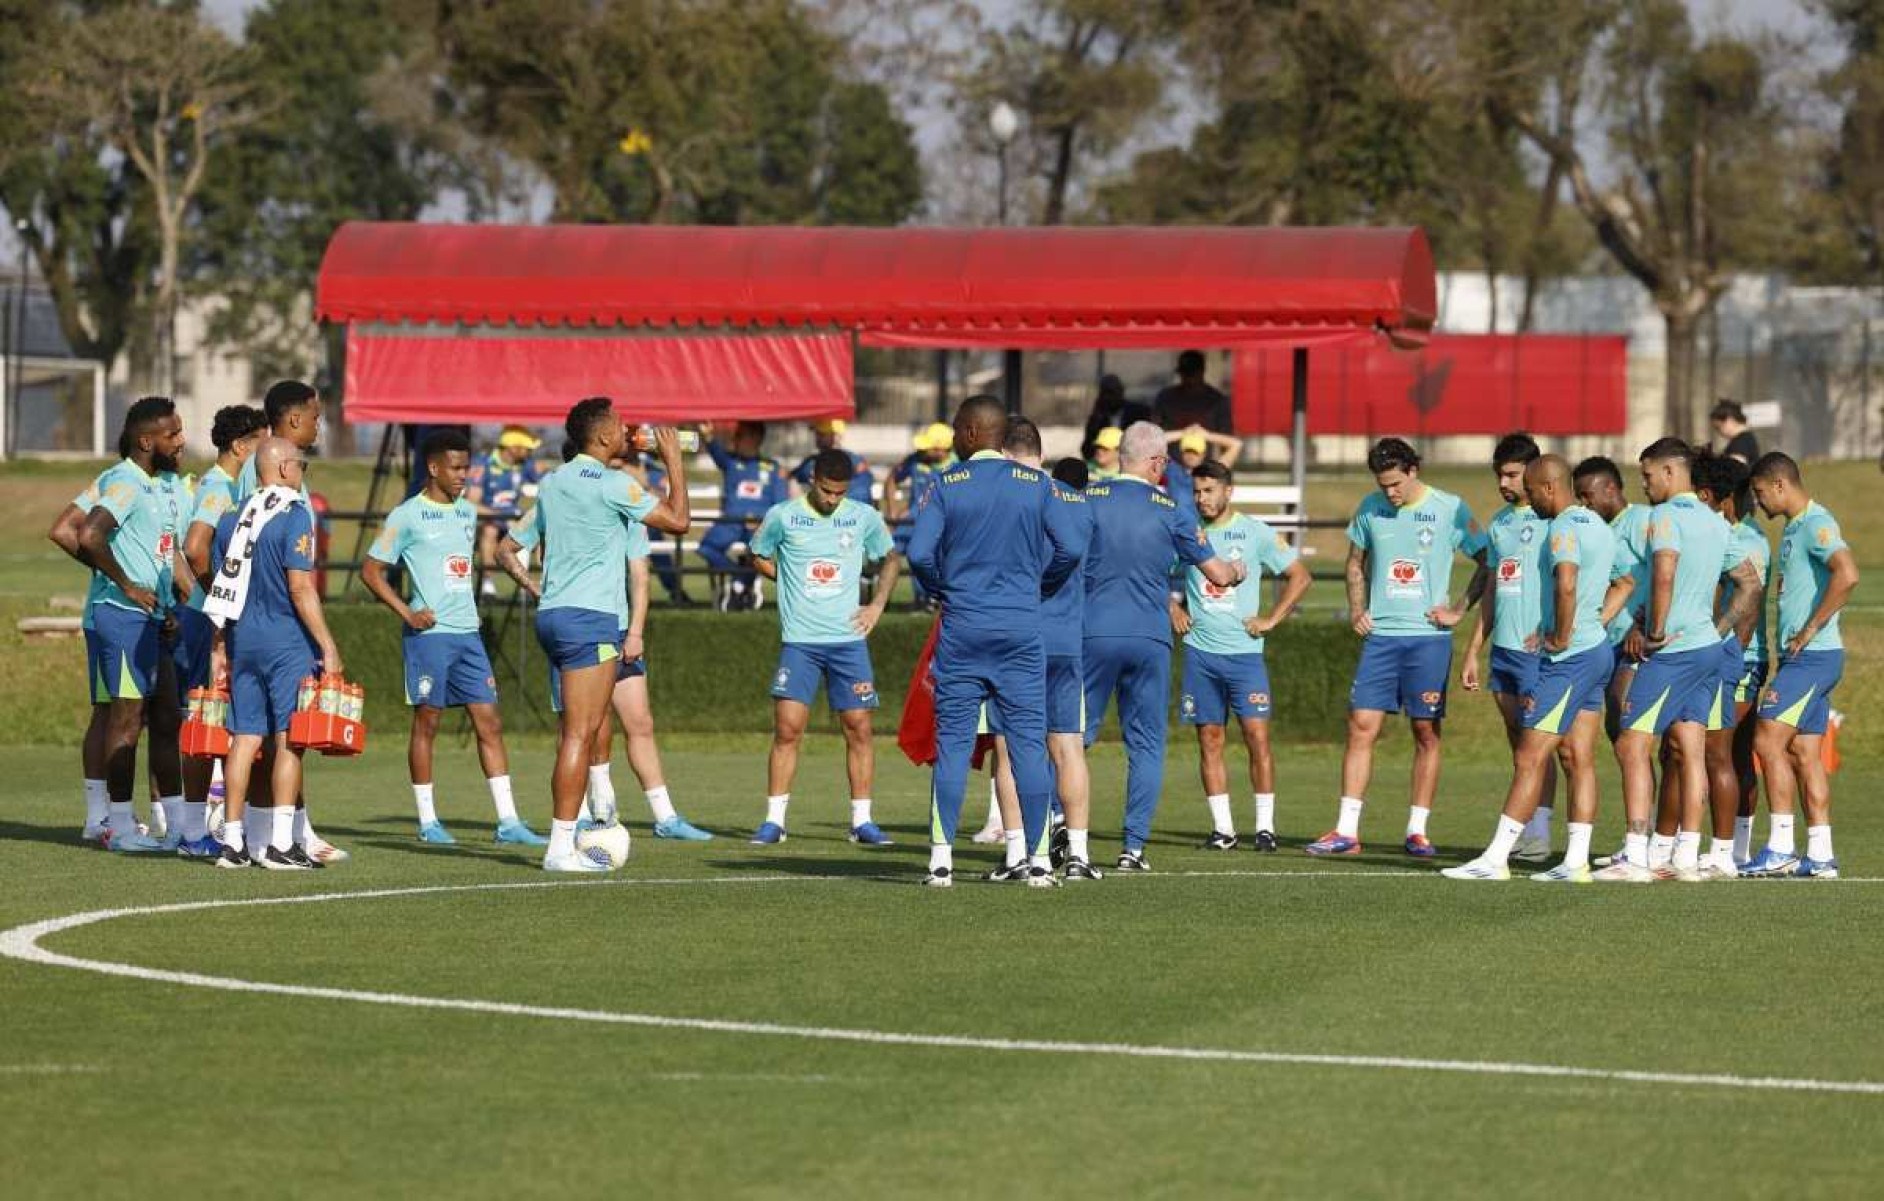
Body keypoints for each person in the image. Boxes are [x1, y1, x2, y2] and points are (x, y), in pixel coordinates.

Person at [907, 395, 1088, 888]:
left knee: (953, 747)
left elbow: (919, 554)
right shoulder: (1037, 486)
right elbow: (1071, 547)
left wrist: (943, 586)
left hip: (964, 628)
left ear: (969, 434)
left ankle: (940, 862)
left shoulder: (946, 485)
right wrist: (1041, 585)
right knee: (1030, 745)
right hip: (1020, 631)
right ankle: (1039, 863)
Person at [502, 442, 711, 842]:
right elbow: (507, 549)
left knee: (637, 722)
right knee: (580, 727)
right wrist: (537, 589)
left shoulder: (624, 508)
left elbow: (640, 575)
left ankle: (664, 816)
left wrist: (634, 630)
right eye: (614, 464)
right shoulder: (560, 498)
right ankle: (584, 815)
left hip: (612, 626)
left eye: (622, 465)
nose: (620, 472)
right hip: (581, 622)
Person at [525, 399, 690, 872]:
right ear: (601, 437)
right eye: (619, 426)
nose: (626, 431)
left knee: (582, 730)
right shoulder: (616, 483)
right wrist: (674, 461)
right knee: (580, 733)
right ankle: (560, 847)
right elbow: (679, 522)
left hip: (553, 613)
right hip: (590, 617)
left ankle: (585, 824)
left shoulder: (551, 481)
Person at [363, 428, 546, 847]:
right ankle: (428, 822)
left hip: (469, 636)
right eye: (457, 467)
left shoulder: (466, 512)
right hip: (429, 639)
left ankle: (509, 822)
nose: (465, 475)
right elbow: (371, 570)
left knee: (490, 724)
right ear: (433, 468)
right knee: (428, 723)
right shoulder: (406, 515)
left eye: (468, 467)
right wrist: (408, 612)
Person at [1307, 437, 1487, 858]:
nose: (1389, 492)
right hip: (1382, 639)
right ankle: (1346, 832)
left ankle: (1417, 830)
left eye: (1395, 484)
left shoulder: (1450, 508)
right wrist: (1357, 610)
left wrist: (1459, 608)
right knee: (1361, 725)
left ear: (1413, 471)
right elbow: (1355, 563)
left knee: (1425, 731)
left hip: (1428, 640)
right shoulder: (1370, 508)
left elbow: (1488, 562)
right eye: (1383, 485)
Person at [1443, 455, 1616, 882]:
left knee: (1529, 754)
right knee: (1580, 758)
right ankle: (1575, 862)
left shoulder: (1562, 527)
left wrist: (1559, 634)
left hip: (1569, 657)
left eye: (1534, 490)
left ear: (1550, 487)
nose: (1530, 498)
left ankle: (1495, 858)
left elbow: (1567, 582)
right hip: (1598, 651)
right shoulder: (1598, 524)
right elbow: (1626, 579)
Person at [1083, 421, 1246, 872]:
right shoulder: (1172, 509)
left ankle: (1065, 829)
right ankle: (1132, 848)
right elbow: (1215, 573)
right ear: (1156, 462)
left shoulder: (1087, 500)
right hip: (1150, 637)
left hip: (1092, 632)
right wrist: (1236, 570)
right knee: (1146, 744)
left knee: (1073, 737)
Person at [1594, 438, 1743, 883]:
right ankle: (1684, 858)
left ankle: (1636, 856)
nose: (1644, 485)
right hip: (1707, 648)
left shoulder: (1663, 517)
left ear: (1671, 473)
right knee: (1689, 747)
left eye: (1647, 475)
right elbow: (1748, 582)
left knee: (1631, 743)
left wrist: (1654, 630)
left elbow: (1663, 572)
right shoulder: (1716, 520)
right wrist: (1717, 629)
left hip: (1673, 650)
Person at [748, 449, 900, 847]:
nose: (832, 499)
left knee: (860, 729)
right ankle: (774, 822)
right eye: (826, 491)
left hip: (849, 642)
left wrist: (877, 606)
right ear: (812, 479)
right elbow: (758, 553)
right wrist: (787, 580)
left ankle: (862, 821)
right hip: (800, 642)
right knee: (787, 729)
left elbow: (890, 559)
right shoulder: (783, 514)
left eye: (839, 493)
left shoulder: (863, 516)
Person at [206, 437, 344, 870]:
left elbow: (220, 585)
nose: (303, 471)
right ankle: (281, 844)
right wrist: (328, 645)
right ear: (284, 468)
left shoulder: (232, 517)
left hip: (243, 639)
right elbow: (301, 588)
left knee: (245, 738)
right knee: (289, 739)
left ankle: (233, 841)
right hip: (285, 641)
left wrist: (219, 646)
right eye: (301, 463)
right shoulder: (295, 513)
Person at [1172, 458, 1311, 851]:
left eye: (1209, 491)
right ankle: (1223, 831)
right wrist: (1173, 608)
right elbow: (1154, 573)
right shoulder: (1187, 532)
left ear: (1228, 491)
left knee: (1257, 738)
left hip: (1245, 657)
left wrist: (1271, 619)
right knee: (1210, 740)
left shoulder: (1255, 533)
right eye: (1196, 492)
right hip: (1201, 654)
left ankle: (1265, 828)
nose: (1202, 499)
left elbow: (1301, 576)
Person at [983, 423, 1101, 882]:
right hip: (1067, 639)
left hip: (1018, 637)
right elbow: (1088, 567)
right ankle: (1077, 854)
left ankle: (1018, 855)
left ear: (1006, 455)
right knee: (1067, 744)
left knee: (1010, 748)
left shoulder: (1012, 497)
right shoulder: (1075, 501)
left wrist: (1037, 583)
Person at [74, 399, 192, 854]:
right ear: (147, 441)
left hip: (153, 620)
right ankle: (119, 827)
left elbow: (169, 551)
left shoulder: (159, 484)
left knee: (165, 718)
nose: (180, 441)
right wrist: (125, 584)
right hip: (121, 618)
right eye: (172, 434)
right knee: (126, 720)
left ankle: (181, 826)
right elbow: (88, 534)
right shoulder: (124, 481)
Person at [1741, 452, 1860, 878]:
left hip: (1812, 658)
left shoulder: (1816, 523)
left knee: (1767, 740)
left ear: (1779, 485)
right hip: (1806, 659)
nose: (1757, 500)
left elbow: (1847, 574)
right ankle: (1821, 854)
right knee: (1803, 751)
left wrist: (1810, 627)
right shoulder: (1795, 527)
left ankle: (1779, 847)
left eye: (1758, 492)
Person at [171, 404, 269, 855]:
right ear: (239, 446)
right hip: (204, 617)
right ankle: (192, 832)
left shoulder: (236, 485)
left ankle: (209, 824)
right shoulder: (217, 486)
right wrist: (219, 597)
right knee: (203, 716)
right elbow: (195, 547)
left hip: (216, 616)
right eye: (260, 443)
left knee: (223, 715)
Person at [1460, 433, 1557, 863]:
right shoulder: (1499, 523)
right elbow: (1495, 590)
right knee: (1519, 743)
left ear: (1533, 473)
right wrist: (1473, 649)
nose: (1504, 482)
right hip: (1505, 650)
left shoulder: (1556, 520)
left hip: (1542, 651)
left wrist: (1554, 630)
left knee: (1543, 745)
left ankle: (1540, 833)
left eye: (1513, 474)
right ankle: (1523, 828)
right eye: (1499, 474)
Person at [1691, 452, 1768, 870]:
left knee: (1716, 751)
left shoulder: (1745, 539)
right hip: (1727, 657)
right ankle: (1735, 851)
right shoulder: (1724, 532)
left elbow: (1750, 601)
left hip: (1740, 659)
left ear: (1714, 497)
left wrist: (1729, 650)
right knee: (1733, 755)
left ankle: (1724, 852)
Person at [700, 421, 788, 611]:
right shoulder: (730, 461)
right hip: (730, 523)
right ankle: (741, 578)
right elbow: (715, 449)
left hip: (758, 526)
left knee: (757, 553)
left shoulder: (772, 468)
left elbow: (781, 505)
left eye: (740, 436)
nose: (735, 440)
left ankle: (741, 589)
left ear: (755, 439)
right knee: (706, 548)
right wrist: (707, 435)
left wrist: (764, 523)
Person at [466, 425, 545, 591]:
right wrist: (499, 515)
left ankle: (543, 583)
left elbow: (549, 482)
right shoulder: (483, 465)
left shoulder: (526, 465)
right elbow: (472, 503)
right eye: (527, 449)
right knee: (490, 529)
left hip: (515, 519)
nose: (530, 453)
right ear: (513, 448)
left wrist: (544, 471)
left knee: (542, 532)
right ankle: (487, 583)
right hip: (491, 519)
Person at [886, 423, 954, 609]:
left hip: (939, 526)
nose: (921, 450)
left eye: (927, 447)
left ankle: (928, 601)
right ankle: (880, 601)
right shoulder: (914, 460)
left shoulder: (958, 465)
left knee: (927, 558)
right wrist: (893, 511)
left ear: (941, 449)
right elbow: (892, 478)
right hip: (909, 523)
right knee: (886, 553)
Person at [790, 420, 875, 505]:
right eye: (817, 433)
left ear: (837, 436)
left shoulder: (855, 463)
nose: (817, 438)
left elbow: (860, 496)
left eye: (823, 434)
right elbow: (793, 477)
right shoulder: (810, 462)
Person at [1153, 350, 1232, 433]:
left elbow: (1226, 434)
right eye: (1184, 373)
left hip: (1205, 444)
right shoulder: (1166, 397)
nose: (1188, 378)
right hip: (1172, 444)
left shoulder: (1217, 401)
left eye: (1191, 374)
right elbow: (1154, 429)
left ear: (1202, 371)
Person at [1081, 373, 1151, 458]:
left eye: (1112, 392)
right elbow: (1087, 450)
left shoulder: (1138, 412)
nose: (1109, 397)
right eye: (1105, 393)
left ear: (1121, 392)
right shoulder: (1098, 417)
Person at [1710, 400, 1760, 465]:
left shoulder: (1740, 443)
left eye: (1718, 427)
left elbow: (1735, 470)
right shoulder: (1746, 439)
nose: (1719, 432)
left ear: (1729, 420)